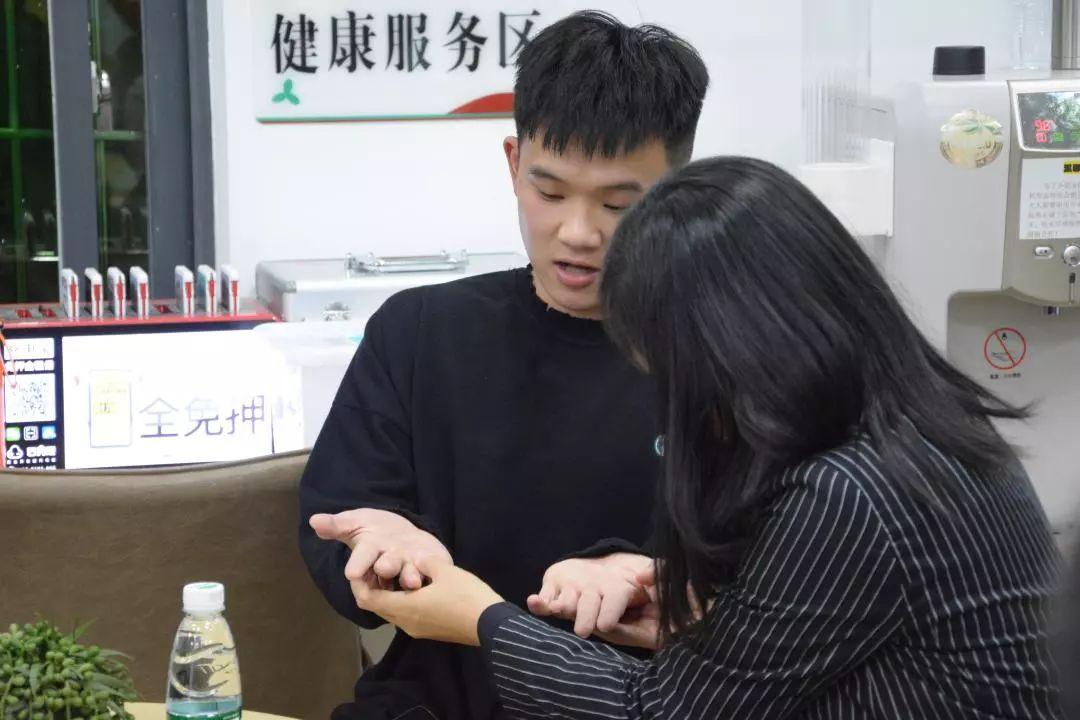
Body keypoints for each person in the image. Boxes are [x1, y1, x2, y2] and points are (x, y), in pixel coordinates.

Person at [354, 157, 1064, 719]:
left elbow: (659, 711)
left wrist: (480, 619)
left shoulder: (853, 492)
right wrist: (703, 616)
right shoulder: (920, 432)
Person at [298, 11, 710, 720]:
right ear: (514, 164)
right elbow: (340, 514)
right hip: (436, 703)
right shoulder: (420, 332)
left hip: (641, 703)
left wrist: (658, 580)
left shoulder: (722, 350)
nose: (577, 233)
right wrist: (383, 543)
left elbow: (785, 575)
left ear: (678, 190)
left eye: (618, 204)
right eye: (550, 193)